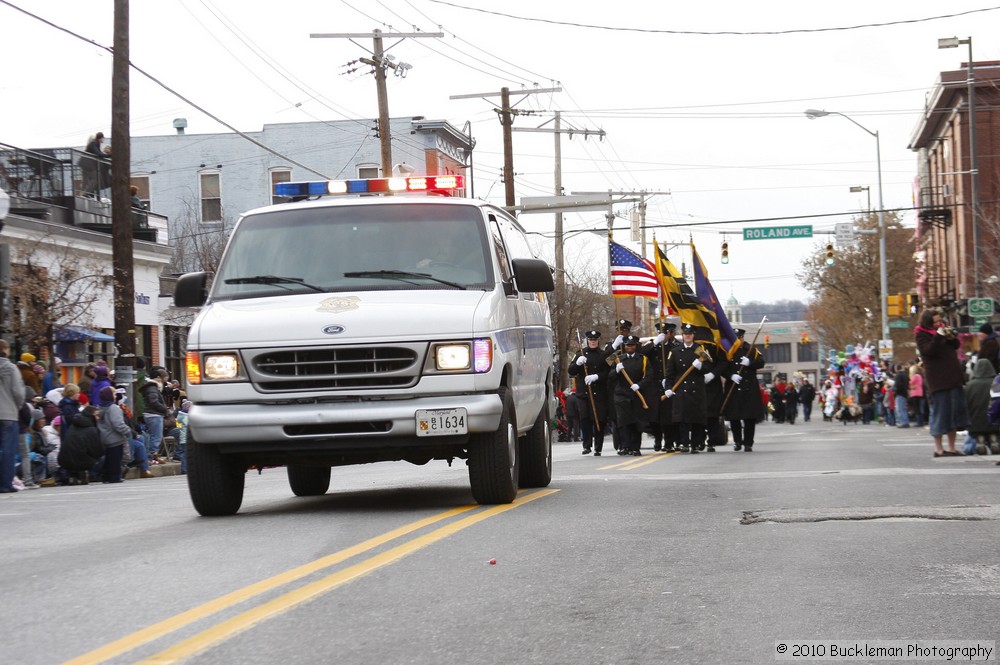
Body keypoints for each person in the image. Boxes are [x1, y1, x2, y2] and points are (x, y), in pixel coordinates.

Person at [914, 309, 969, 457]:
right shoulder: (921, 335)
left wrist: (952, 337)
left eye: (940, 321)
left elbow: (956, 346)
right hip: (938, 381)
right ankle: (938, 449)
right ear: (928, 322)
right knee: (940, 413)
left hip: (954, 378)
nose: (939, 323)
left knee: (954, 414)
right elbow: (929, 350)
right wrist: (939, 335)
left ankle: (951, 447)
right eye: (936, 322)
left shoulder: (943, 332)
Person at [663, 323, 710, 454]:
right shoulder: (675, 351)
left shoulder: (699, 350)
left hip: (696, 389)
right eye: (685, 334)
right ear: (682, 335)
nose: (687, 336)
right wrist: (668, 387)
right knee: (682, 419)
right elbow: (670, 372)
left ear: (693, 335)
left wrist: (700, 366)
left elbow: (708, 367)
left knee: (696, 419)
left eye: (690, 334)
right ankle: (684, 443)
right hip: (681, 388)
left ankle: (695, 444)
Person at [567, 330, 610, 456]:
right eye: (591, 340)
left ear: (598, 341)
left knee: (599, 420)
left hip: (598, 394)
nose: (592, 342)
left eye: (595, 340)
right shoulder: (580, 353)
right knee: (585, 419)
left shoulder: (603, 355)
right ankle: (586, 445)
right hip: (584, 394)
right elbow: (571, 370)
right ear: (587, 341)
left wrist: (597, 376)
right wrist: (577, 363)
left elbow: (609, 372)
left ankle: (598, 447)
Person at [723, 328, 766, 452]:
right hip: (734, 388)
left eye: (739, 338)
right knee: (734, 418)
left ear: (742, 338)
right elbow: (722, 367)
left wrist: (750, 363)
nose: (738, 340)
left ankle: (748, 443)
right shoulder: (728, 350)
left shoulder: (751, 349)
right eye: (735, 338)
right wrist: (730, 375)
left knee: (749, 418)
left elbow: (761, 362)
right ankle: (737, 441)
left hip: (749, 388)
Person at [611, 335, 652, 456]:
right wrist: (616, 370)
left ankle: (635, 447)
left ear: (636, 346)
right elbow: (610, 376)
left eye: (632, 345)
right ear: (625, 346)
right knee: (623, 423)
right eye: (628, 345)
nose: (630, 347)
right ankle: (625, 446)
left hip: (636, 395)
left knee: (636, 423)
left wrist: (639, 385)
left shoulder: (643, 359)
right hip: (621, 395)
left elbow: (649, 376)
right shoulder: (618, 359)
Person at [0, 339, 26, 494]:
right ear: (5, 349)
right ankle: (5, 483)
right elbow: (18, 392)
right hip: (8, 413)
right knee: (8, 450)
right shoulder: (11, 368)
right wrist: (18, 406)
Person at [57, 406, 103, 485]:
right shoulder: (91, 429)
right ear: (91, 416)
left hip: (63, 459)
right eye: (96, 415)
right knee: (101, 458)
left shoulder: (73, 426)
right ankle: (85, 474)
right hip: (80, 461)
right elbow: (96, 450)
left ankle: (74, 476)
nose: (98, 418)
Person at [964, 357, 998, 454]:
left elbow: (966, 405)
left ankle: (980, 439)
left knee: (967, 449)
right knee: (994, 429)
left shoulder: (969, 385)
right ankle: (994, 438)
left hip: (975, 424)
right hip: (995, 422)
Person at [96, 386, 128, 483]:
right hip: (115, 437)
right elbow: (118, 424)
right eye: (113, 394)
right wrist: (127, 430)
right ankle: (114, 476)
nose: (115, 396)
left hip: (104, 436)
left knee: (109, 458)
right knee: (115, 459)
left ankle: (106, 476)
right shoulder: (114, 408)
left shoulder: (99, 408)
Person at [140, 369, 170, 460]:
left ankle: (151, 456)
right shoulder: (153, 388)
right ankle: (152, 456)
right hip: (154, 415)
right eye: (160, 378)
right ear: (157, 378)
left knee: (151, 436)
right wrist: (164, 408)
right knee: (156, 437)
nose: (162, 381)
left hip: (151, 414)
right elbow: (153, 401)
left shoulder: (150, 387)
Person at [893, 363, 911, 428]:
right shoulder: (905, 375)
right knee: (903, 408)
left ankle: (904, 422)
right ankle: (905, 421)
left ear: (897, 368)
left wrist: (895, 390)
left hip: (900, 393)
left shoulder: (898, 375)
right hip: (905, 393)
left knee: (900, 409)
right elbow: (908, 383)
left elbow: (897, 385)